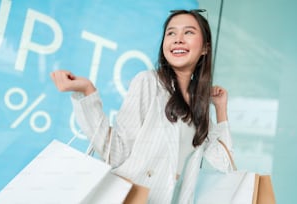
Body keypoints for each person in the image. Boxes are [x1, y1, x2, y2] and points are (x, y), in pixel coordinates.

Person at [50, 9, 234, 204]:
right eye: (171, 33)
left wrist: (220, 109)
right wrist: (87, 92)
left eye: (188, 32)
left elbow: (225, 164)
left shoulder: (199, 105)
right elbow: (116, 153)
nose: (178, 39)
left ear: (205, 48)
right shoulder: (149, 82)